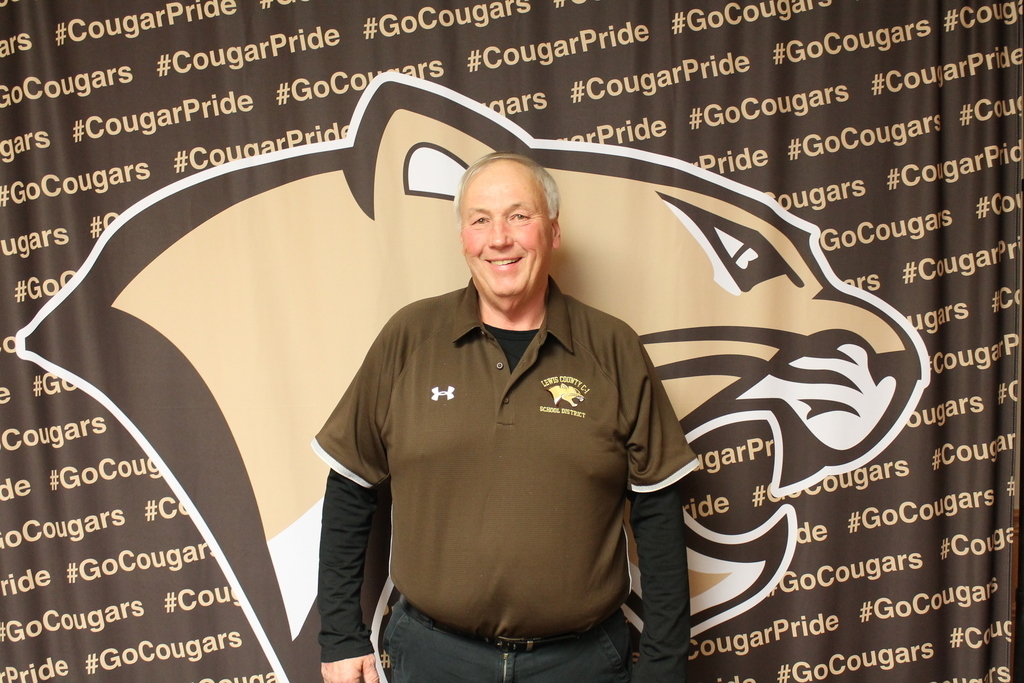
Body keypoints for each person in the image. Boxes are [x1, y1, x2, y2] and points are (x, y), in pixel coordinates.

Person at [315, 152, 695, 683]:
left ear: (553, 231)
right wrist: (340, 636)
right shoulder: (408, 338)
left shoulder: (614, 348)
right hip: (432, 659)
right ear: (463, 237)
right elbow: (350, 488)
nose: (499, 238)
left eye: (519, 216)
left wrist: (664, 664)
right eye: (479, 220)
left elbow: (658, 512)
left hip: (582, 664)